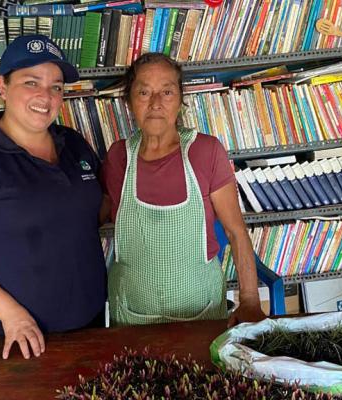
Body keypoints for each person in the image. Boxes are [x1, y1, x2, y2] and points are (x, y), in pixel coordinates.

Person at [0, 35, 106, 359]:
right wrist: (12, 315)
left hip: (93, 323)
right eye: (31, 82)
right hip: (23, 339)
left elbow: (94, 210)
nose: (46, 96)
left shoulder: (74, 143)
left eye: (56, 87)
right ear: (2, 86)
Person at [101, 53, 266, 327]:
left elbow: (235, 231)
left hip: (201, 311)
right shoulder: (118, 157)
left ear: (180, 99)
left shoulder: (206, 151)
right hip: (131, 314)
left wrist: (249, 301)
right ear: (129, 102)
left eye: (166, 92)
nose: (155, 103)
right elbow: (103, 212)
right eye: (144, 92)